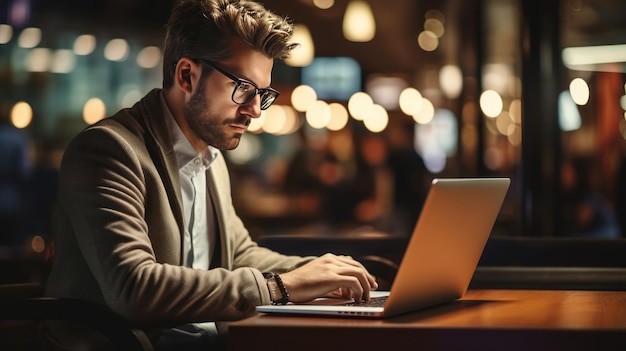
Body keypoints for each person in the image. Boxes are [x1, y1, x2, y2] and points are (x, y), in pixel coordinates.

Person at [42, 0, 377, 349]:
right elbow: (134, 287)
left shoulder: (211, 156)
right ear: (187, 75)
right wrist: (284, 286)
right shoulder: (108, 151)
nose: (254, 111)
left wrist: (326, 273)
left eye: (262, 94)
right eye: (244, 89)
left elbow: (240, 255)